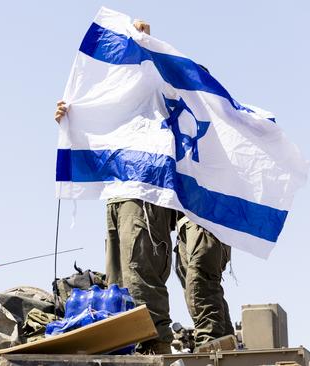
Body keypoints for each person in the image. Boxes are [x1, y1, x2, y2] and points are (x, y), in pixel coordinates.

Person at [54, 20, 175, 354]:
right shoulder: (110, 89)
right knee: (117, 280)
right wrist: (71, 118)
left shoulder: (156, 78)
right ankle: (131, 346)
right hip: (116, 190)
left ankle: (157, 347)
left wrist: (145, 40)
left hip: (146, 186)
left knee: (141, 273)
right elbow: (99, 123)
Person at [175, 214, 233, 348]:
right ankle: (222, 346)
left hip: (204, 216)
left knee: (200, 282)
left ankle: (211, 349)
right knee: (203, 285)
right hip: (187, 222)